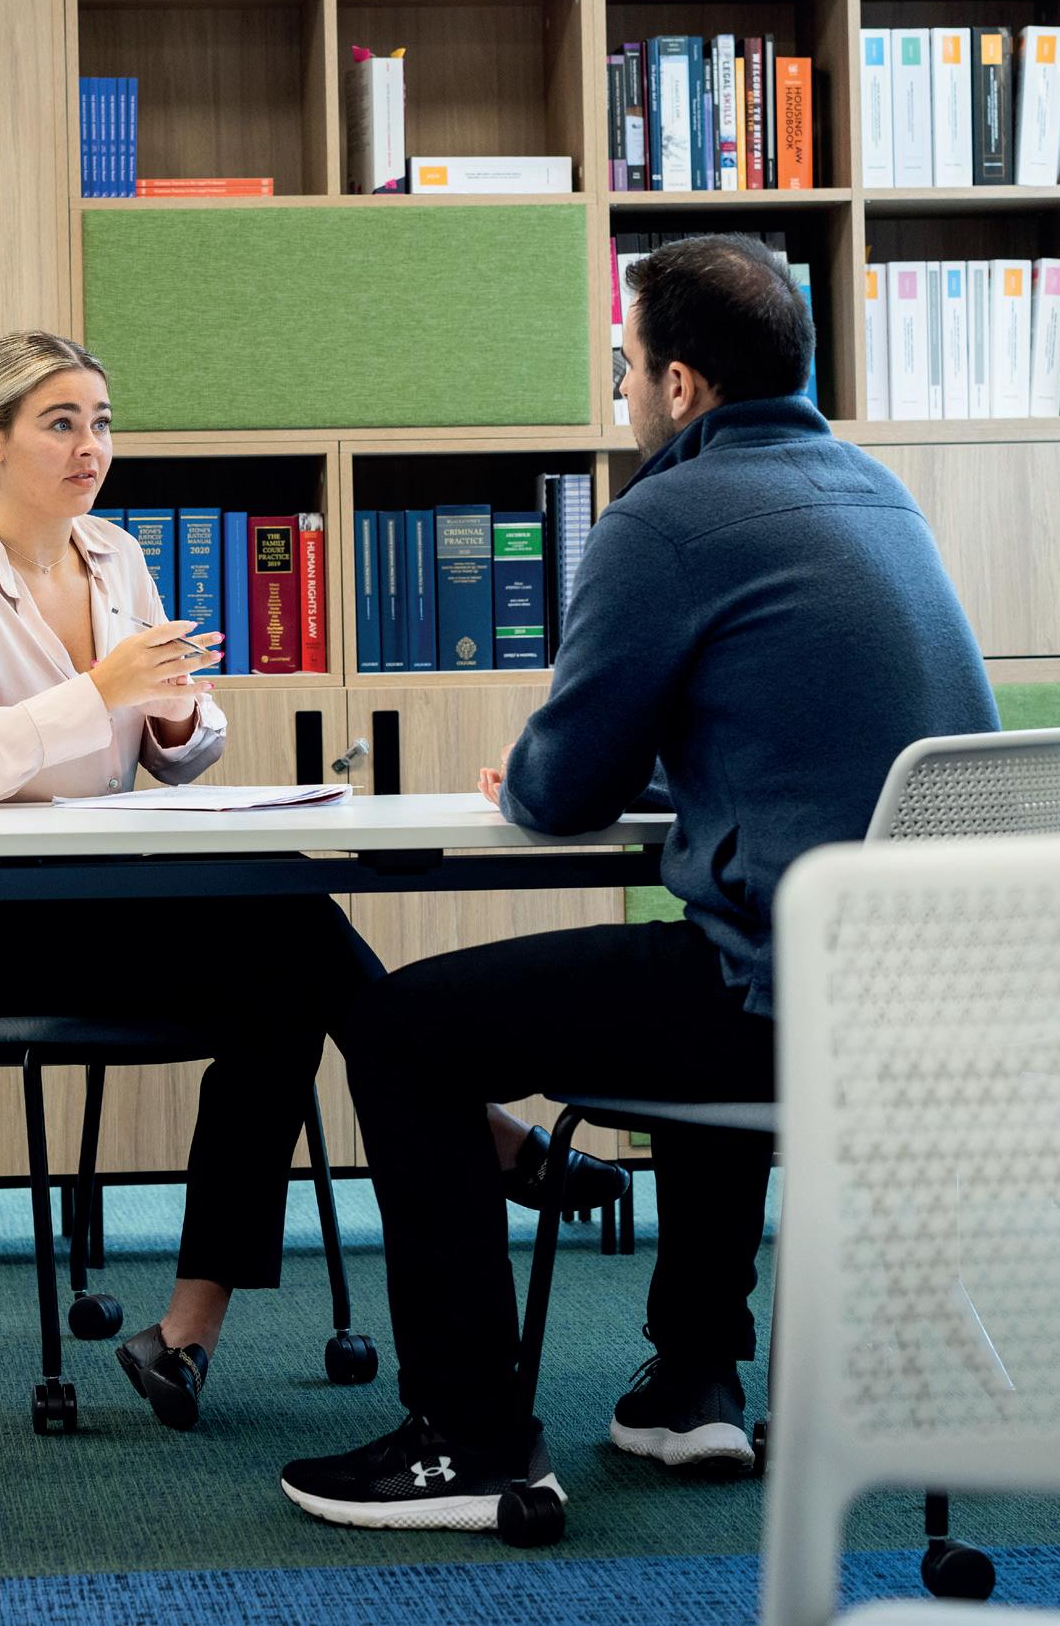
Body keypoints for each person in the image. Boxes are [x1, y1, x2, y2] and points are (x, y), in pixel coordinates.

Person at [281, 236, 997, 1531]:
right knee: (703, 941)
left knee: (396, 1028)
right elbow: (800, 724)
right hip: (924, 990)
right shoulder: (874, 494)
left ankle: (468, 1441)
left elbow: (560, 790)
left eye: (623, 368)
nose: (619, 392)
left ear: (679, 384)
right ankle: (690, 1380)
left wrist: (534, 770)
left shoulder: (664, 518)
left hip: (784, 996)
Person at [0, 329, 625, 1432]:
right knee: (289, 928)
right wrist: (101, 689)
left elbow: (181, 751)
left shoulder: (113, 557)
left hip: (113, 901)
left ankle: (185, 1334)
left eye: (101, 422)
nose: (91, 447)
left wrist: (177, 717)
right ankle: (481, 1127)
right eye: (60, 423)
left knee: (282, 988)